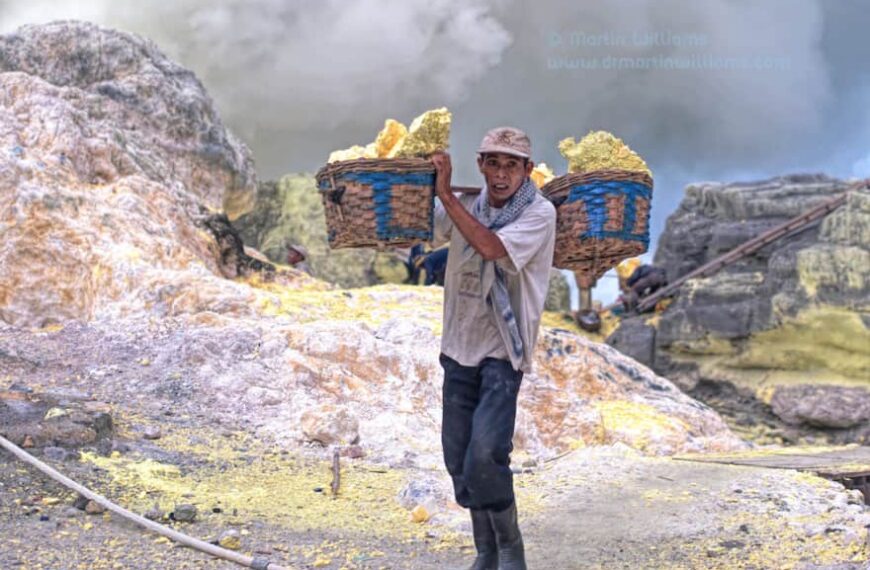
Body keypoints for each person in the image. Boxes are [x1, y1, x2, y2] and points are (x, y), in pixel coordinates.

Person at [430, 127, 556, 570]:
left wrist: (445, 195)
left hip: (503, 351)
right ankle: (484, 552)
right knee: (457, 458)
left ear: (528, 171)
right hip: (459, 344)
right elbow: (420, 229)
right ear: (480, 165)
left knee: (486, 453)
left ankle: (509, 548)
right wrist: (422, 184)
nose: (501, 174)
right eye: (493, 163)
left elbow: (489, 246)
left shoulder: (539, 214)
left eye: (512, 165)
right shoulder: (468, 205)